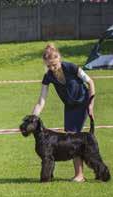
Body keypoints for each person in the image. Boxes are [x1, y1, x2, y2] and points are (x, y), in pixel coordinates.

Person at [32, 43, 95, 183]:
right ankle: (80, 174)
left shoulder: (71, 67)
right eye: (49, 66)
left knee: (73, 135)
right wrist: (33, 117)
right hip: (69, 107)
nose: (52, 68)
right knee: (71, 136)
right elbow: (41, 101)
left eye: (54, 65)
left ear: (59, 59)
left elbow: (90, 82)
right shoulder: (48, 76)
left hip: (82, 103)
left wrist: (91, 103)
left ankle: (79, 175)